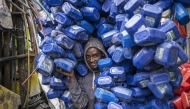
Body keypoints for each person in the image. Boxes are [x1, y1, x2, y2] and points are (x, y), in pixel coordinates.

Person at [56, 37, 108, 109]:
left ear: (102, 54)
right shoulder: (83, 76)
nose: (91, 60)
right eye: (88, 56)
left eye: (95, 55)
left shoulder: (109, 74)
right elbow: (81, 104)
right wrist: (72, 77)